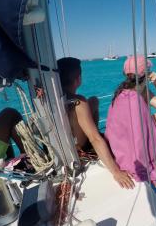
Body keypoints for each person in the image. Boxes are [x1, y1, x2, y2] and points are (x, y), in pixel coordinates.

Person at [57, 57, 134, 189]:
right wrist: (116, 172)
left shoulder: (53, 98)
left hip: (62, 144)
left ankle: (92, 128)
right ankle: (92, 130)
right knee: (94, 129)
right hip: (79, 147)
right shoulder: (78, 102)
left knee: (93, 100)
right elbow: (95, 138)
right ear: (78, 79)